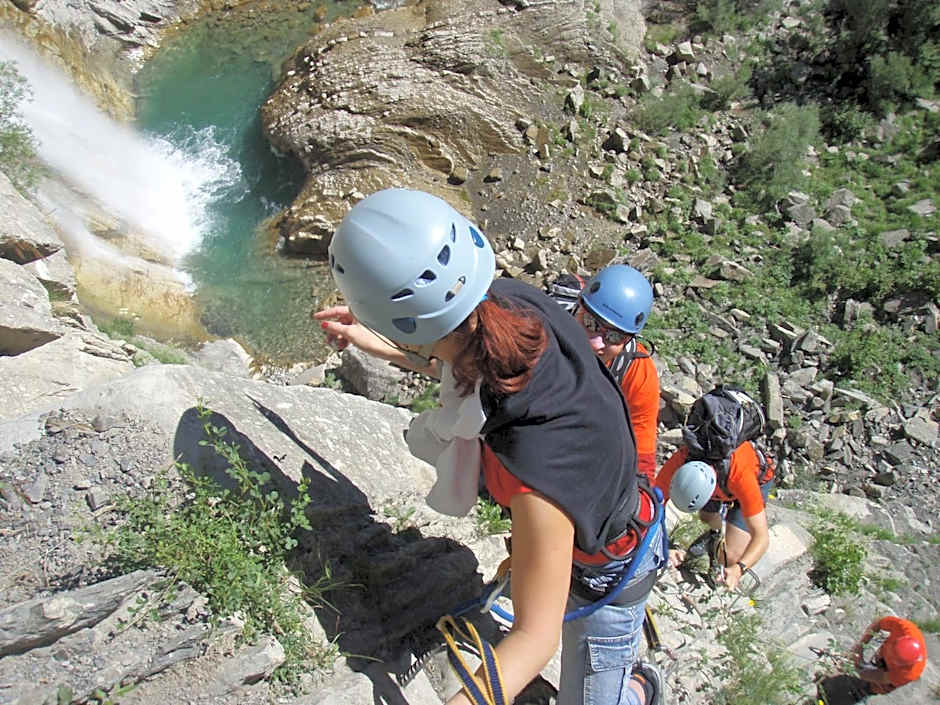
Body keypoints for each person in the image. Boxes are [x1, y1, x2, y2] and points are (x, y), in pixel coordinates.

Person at [316, 188, 666, 705]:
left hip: (609, 571)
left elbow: (533, 640)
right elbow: (462, 360)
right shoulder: (509, 301)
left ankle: (641, 687)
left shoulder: (541, 472)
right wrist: (376, 340)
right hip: (587, 534)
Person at [573, 265, 660, 478]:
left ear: (629, 339)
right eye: (589, 323)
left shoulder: (637, 372)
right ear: (579, 306)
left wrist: (641, 494)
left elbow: (642, 449)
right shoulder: (545, 331)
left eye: (613, 337)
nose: (595, 343)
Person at [655, 441, 772, 591]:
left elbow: (761, 538)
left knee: (731, 557)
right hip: (722, 485)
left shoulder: (741, 477)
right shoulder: (680, 462)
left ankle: (718, 548)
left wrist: (738, 569)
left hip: (755, 481)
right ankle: (714, 537)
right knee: (707, 517)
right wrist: (663, 548)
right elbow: (653, 508)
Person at [853, 616, 927, 695]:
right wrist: (860, 646)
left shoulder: (909, 674)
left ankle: (869, 691)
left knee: (882, 686)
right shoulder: (904, 627)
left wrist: (856, 671)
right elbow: (878, 624)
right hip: (883, 654)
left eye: (894, 660)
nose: (890, 659)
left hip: (892, 673)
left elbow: (881, 677)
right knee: (877, 661)